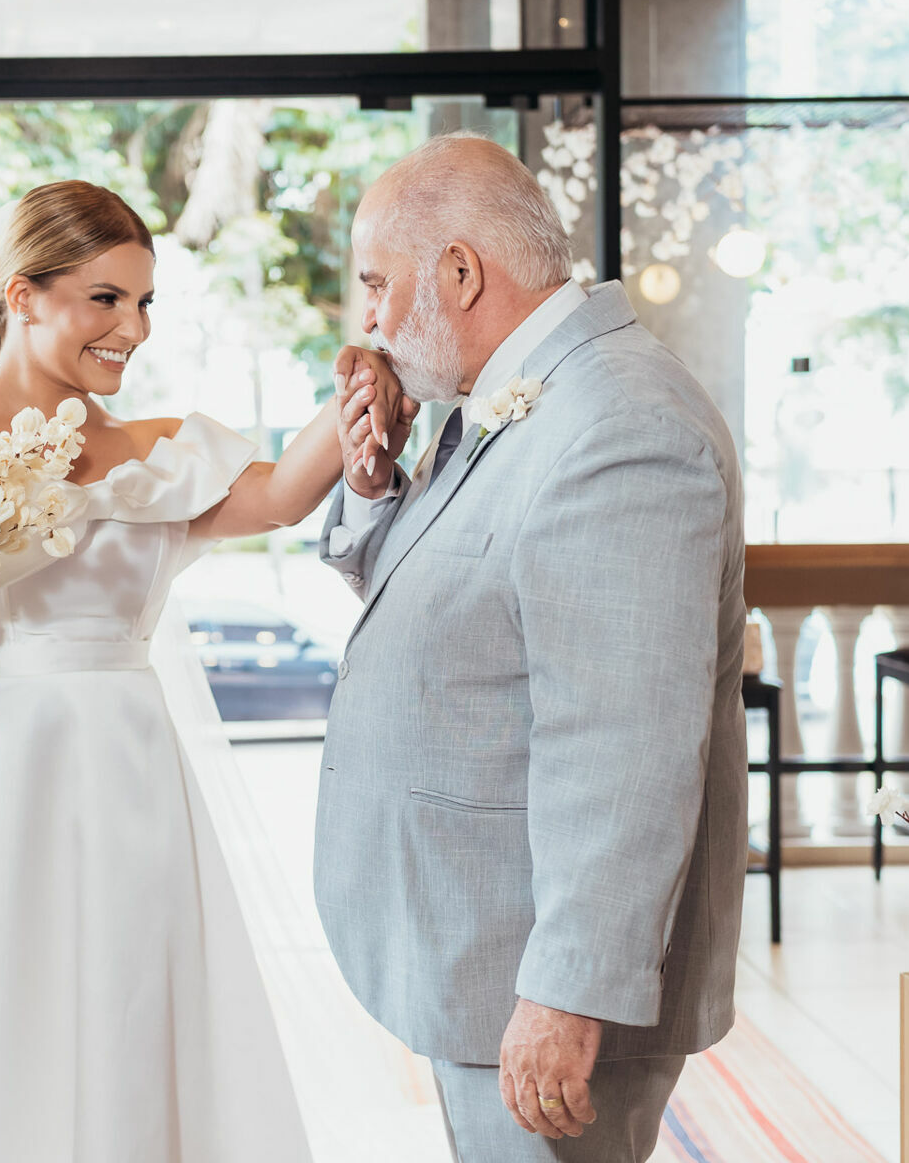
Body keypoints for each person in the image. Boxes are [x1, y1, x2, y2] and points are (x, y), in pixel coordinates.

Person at [0, 180, 406, 1163]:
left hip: (128, 787)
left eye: (144, 302)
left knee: (128, 1024)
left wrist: (366, 371)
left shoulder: (151, 453)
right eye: (106, 299)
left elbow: (276, 497)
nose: (132, 328)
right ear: (22, 297)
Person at [316, 133, 749, 1162]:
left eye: (378, 282)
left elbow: (623, 739)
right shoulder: (516, 399)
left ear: (460, 271)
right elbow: (455, 600)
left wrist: (567, 988)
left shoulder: (620, 423)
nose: (368, 317)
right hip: (479, 938)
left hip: (538, 968)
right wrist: (375, 484)